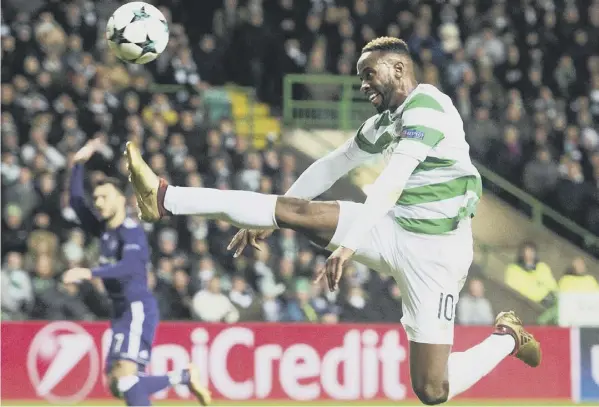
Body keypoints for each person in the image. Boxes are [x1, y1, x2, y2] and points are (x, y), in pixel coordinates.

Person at [125, 37, 541, 405]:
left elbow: (391, 183)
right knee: (298, 211)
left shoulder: (428, 108)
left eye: (369, 74)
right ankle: (165, 199)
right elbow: (333, 164)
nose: (363, 85)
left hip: (438, 252)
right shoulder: (384, 124)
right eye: (360, 76)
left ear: (399, 69)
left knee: (432, 390)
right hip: (392, 227)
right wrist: (279, 214)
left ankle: (507, 337)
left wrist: (348, 245)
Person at [62, 139, 211, 406]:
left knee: (127, 379)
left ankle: (185, 376)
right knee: (116, 383)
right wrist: (78, 163)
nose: (98, 202)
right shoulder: (105, 231)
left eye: (104, 197)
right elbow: (75, 201)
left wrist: (89, 273)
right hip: (120, 312)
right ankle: (184, 376)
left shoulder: (130, 231)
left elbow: (129, 268)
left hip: (137, 309)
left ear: (121, 199)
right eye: (96, 197)